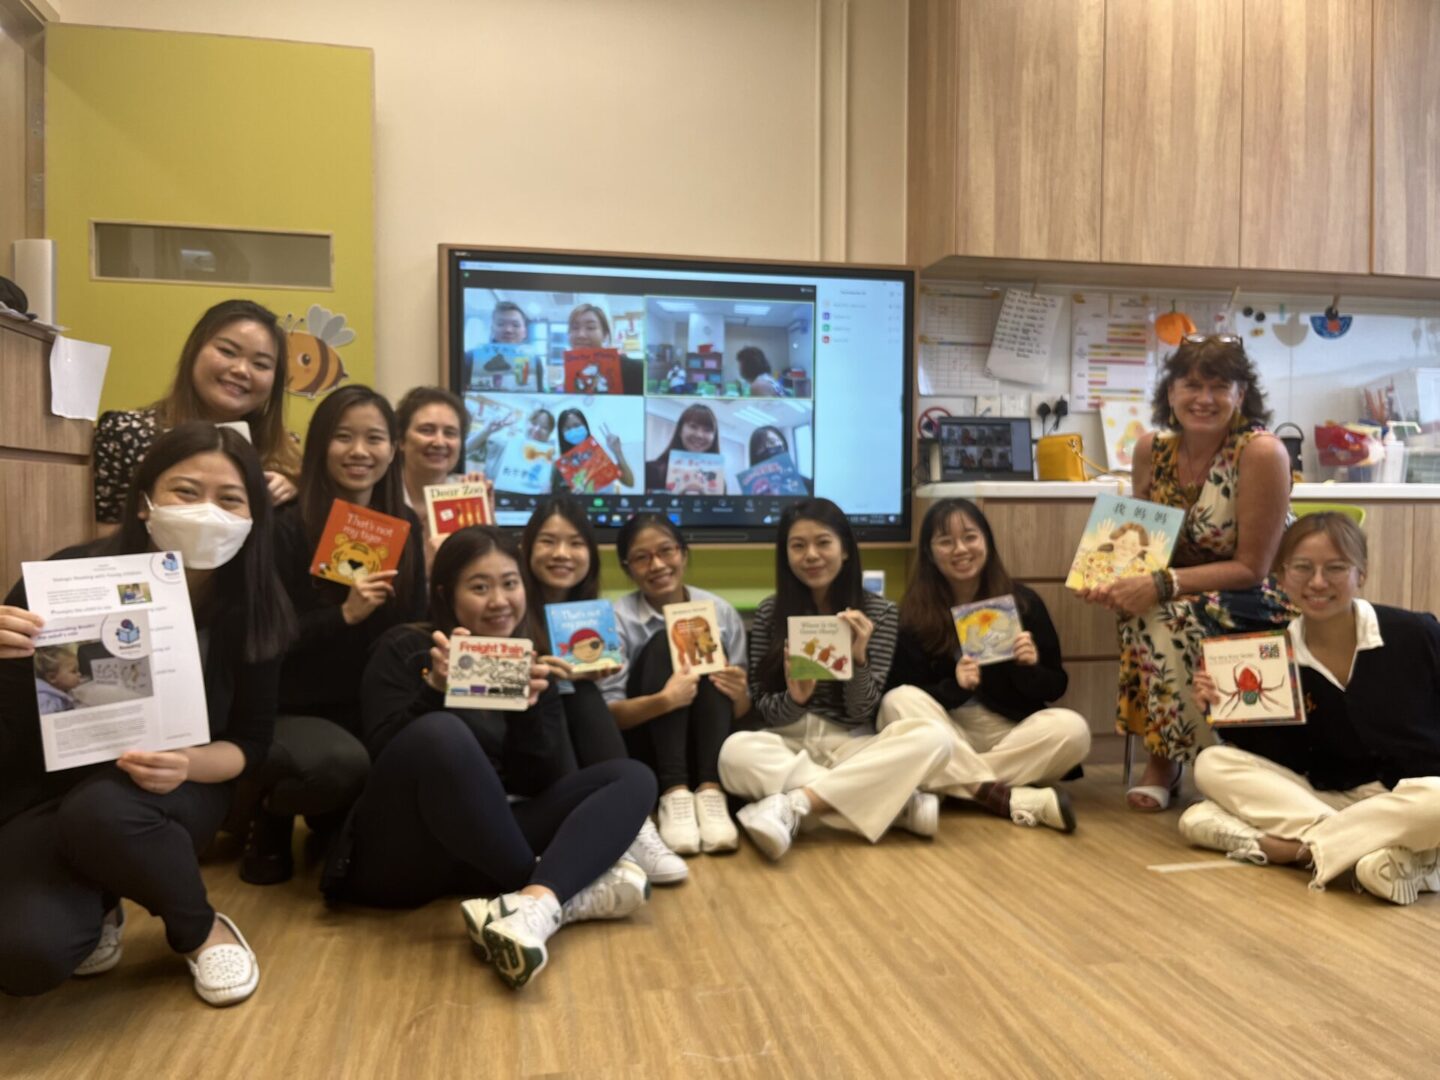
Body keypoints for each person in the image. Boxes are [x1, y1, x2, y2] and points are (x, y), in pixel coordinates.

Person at [0, 423, 294, 1005]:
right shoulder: (64, 580)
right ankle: (104, 895)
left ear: (252, 516)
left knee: (107, 809)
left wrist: (185, 764)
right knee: (25, 957)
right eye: (186, 491)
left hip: (171, 790)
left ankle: (200, 929)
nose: (207, 510)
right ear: (146, 501)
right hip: (50, 791)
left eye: (230, 498)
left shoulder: (256, 603)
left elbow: (251, 743)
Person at [328, 526, 656, 990]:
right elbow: (382, 757)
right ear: (447, 594)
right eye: (480, 587)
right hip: (401, 859)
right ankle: (558, 891)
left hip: (484, 847)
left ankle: (535, 904)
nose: (499, 600)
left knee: (632, 777)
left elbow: (536, 780)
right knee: (441, 732)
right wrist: (435, 692)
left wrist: (530, 712)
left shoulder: (525, 661)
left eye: (510, 583)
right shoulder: (405, 647)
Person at [1076, 335, 1292, 811]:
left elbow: (1253, 567)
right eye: (1191, 385)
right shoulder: (1151, 449)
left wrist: (1158, 584)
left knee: (1164, 615)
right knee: (1141, 611)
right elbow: (1145, 543)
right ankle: (1172, 755)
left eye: (1220, 386)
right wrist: (1111, 577)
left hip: (1255, 594)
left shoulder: (1260, 453)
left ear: (1241, 394)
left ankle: (1185, 763)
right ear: (1170, 393)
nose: (1204, 399)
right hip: (1179, 589)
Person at [1183, 513, 1440, 904]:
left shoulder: (1416, 633)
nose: (1318, 582)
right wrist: (1222, 709)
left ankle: (1293, 850)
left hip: (1415, 796)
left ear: (1361, 574)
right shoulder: (1269, 656)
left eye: (1335, 568)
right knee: (1213, 763)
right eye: (1303, 568)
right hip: (1328, 798)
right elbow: (1281, 757)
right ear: (1281, 577)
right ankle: (1374, 853)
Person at [240, 385, 425, 885]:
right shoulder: (286, 525)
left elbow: (415, 626)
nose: (360, 452)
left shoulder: (404, 526)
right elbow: (260, 637)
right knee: (343, 768)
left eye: (374, 439)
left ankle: (331, 813)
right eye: (343, 437)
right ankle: (269, 809)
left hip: (366, 703)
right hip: (292, 705)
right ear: (321, 444)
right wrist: (343, 614)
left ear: (393, 449)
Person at [718, 499, 950, 860]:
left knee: (934, 737)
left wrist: (858, 660)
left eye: (823, 542)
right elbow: (763, 707)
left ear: (844, 550)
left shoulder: (879, 613)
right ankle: (891, 805)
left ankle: (796, 806)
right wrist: (795, 698)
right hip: (788, 741)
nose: (811, 555)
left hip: (851, 745)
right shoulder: (769, 611)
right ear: (786, 555)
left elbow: (863, 711)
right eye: (798, 546)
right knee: (734, 753)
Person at [879, 499, 1091, 832]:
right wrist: (954, 686)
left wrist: (1029, 666)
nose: (960, 549)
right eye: (945, 541)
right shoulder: (913, 615)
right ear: (930, 552)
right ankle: (1005, 796)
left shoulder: (1023, 603)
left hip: (1008, 733)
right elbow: (901, 693)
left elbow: (1055, 686)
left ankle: (949, 784)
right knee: (897, 702)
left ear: (987, 541)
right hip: (945, 728)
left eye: (969, 537)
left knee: (1073, 729)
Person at [519, 496, 687, 883]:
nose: (563, 554)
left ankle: (634, 829)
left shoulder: (594, 617)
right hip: (520, 757)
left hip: (572, 755)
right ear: (526, 548)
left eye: (576, 543)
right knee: (567, 691)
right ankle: (616, 830)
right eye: (548, 541)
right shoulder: (509, 602)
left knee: (585, 693)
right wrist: (547, 675)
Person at [600, 514, 748, 855]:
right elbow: (609, 716)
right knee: (666, 639)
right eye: (641, 557)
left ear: (683, 553)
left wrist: (739, 693)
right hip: (648, 747)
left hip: (707, 746)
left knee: (701, 631)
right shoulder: (615, 619)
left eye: (666, 551)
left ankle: (711, 792)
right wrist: (665, 700)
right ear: (627, 568)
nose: (657, 565)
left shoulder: (721, 613)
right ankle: (674, 794)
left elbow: (739, 711)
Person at [92, 299, 300, 532]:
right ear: (194, 351)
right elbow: (101, 537)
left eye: (260, 364)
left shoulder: (285, 453)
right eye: (227, 351)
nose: (241, 370)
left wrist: (293, 489)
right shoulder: (126, 433)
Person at [394, 386, 489, 569]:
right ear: (401, 440)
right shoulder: (377, 496)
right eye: (427, 430)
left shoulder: (469, 497)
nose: (439, 442)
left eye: (450, 433)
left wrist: (489, 527)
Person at [467, 407, 557, 496]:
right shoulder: (503, 444)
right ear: (526, 423)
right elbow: (465, 449)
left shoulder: (550, 465)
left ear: (549, 433)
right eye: (534, 423)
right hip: (492, 501)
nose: (537, 429)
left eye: (545, 428)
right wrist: (486, 431)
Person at [644, 403, 727, 493]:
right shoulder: (650, 470)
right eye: (693, 426)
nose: (699, 435)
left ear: (714, 437)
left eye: (707, 430)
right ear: (680, 431)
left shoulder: (720, 483)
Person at [550, 408, 635, 494]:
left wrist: (618, 452)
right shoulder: (561, 466)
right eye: (568, 428)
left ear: (585, 426)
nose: (573, 430)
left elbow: (629, 482)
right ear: (562, 433)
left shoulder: (600, 453)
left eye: (576, 425)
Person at [567, 303, 643, 395]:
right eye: (574, 328)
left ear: (605, 334)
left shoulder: (631, 369)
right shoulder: (569, 371)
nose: (581, 335)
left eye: (590, 327)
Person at [461, 301, 531, 390]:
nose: (508, 330)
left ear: (525, 332)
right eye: (501, 324)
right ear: (492, 329)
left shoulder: (533, 362)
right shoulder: (470, 358)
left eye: (515, 325)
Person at [33, 646, 82, 714]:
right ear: (52, 677)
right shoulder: (45, 700)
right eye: (74, 671)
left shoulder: (62, 690)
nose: (79, 674)